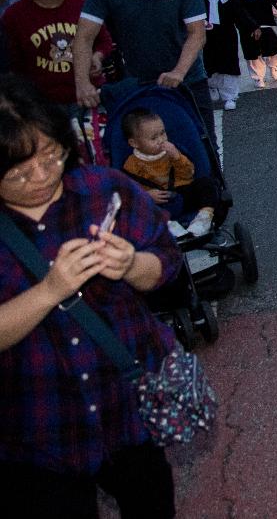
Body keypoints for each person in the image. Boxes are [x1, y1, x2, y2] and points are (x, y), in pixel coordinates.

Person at [0, 76, 184, 518]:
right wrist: (49, 291)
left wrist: (132, 266)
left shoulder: (105, 190)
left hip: (127, 406)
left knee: (152, 505)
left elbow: (168, 264)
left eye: (51, 155)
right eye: (20, 172)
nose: (43, 176)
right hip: (35, 427)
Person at [73, 0, 216, 145]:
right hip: (137, 85)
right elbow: (83, 37)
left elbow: (197, 34)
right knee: (142, 156)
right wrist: (82, 83)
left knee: (202, 150)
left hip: (188, 83)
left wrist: (178, 72)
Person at [1, 0, 112, 107]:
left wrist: (97, 57)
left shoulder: (83, 4)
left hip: (88, 95)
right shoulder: (14, 15)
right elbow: (14, 65)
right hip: (41, 103)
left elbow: (104, 41)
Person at [120, 107, 219, 239]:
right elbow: (128, 190)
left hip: (180, 193)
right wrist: (145, 195)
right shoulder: (131, 165)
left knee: (207, 183)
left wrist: (177, 157)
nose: (161, 140)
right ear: (134, 143)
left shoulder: (172, 151)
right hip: (156, 204)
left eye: (163, 133)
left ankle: (203, 218)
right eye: (154, 138)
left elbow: (188, 174)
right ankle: (167, 226)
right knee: (135, 208)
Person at [197, 0, 251, 111]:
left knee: (229, 63)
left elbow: (240, 13)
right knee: (209, 64)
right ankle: (212, 86)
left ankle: (230, 96)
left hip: (227, 35)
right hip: (207, 36)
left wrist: (252, 27)